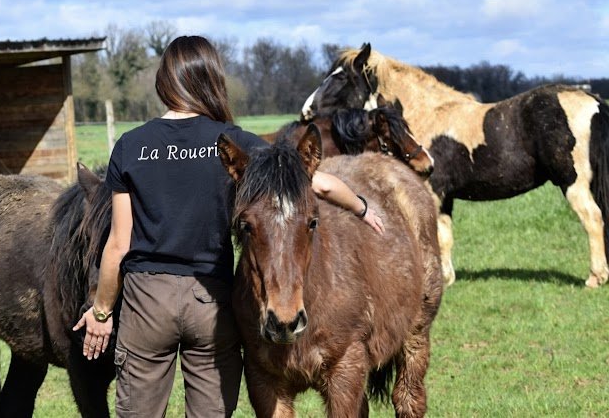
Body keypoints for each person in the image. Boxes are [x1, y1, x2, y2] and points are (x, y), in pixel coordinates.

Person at [73, 35, 384, 417]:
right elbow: (315, 182)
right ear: (212, 80)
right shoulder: (237, 143)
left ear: (165, 82)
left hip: (146, 301)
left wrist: (101, 312)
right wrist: (361, 206)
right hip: (210, 299)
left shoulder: (130, 145)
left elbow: (119, 245)